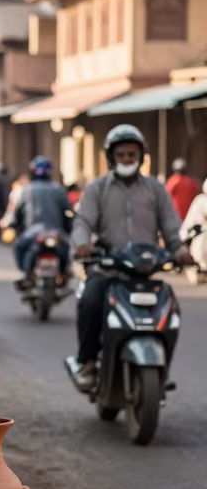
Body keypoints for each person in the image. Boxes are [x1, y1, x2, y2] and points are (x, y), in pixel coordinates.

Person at [70, 124, 190, 391]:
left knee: (171, 309)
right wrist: (81, 245)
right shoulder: (97, 189)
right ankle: (88, 362)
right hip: (106, 268)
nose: (127, 159)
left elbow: (171, 226)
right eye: (121, 154)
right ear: (111, 157)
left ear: (140, 157)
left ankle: (161, 367)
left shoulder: (156, 189)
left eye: (131, 154)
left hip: (144, 271)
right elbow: (83, 223)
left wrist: (180, 250)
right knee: (90, 301)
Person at [7, 155, 73, 280]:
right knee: (66, 249)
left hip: (32, 232)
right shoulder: (57, 189)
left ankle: (26, 274)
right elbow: (68, 211)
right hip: (55, 232)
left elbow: (17, 213)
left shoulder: (26, 190)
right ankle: (64, 273)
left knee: (19, 247)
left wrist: (14, 224)